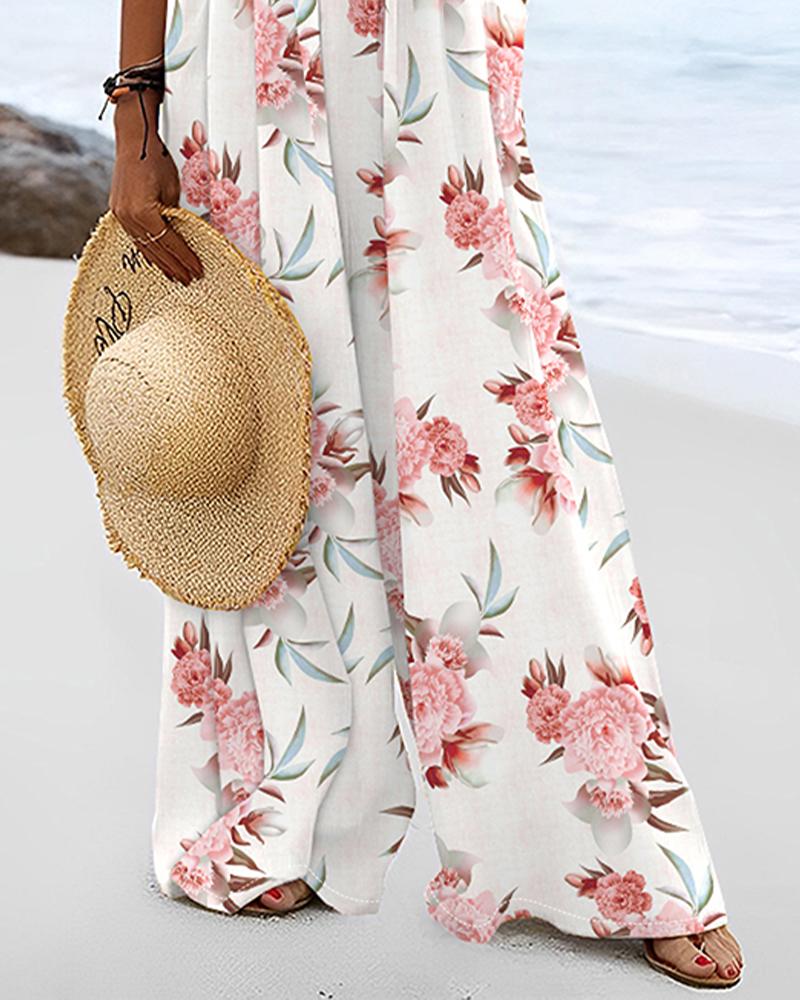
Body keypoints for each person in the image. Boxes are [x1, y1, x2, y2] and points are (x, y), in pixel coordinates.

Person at [107, 0, 743, 987]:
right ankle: (290, 797)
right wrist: (135, 111)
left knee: (498, 422)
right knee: (273, 414)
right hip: (237, 34)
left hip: (428, 35)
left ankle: (620, 848)